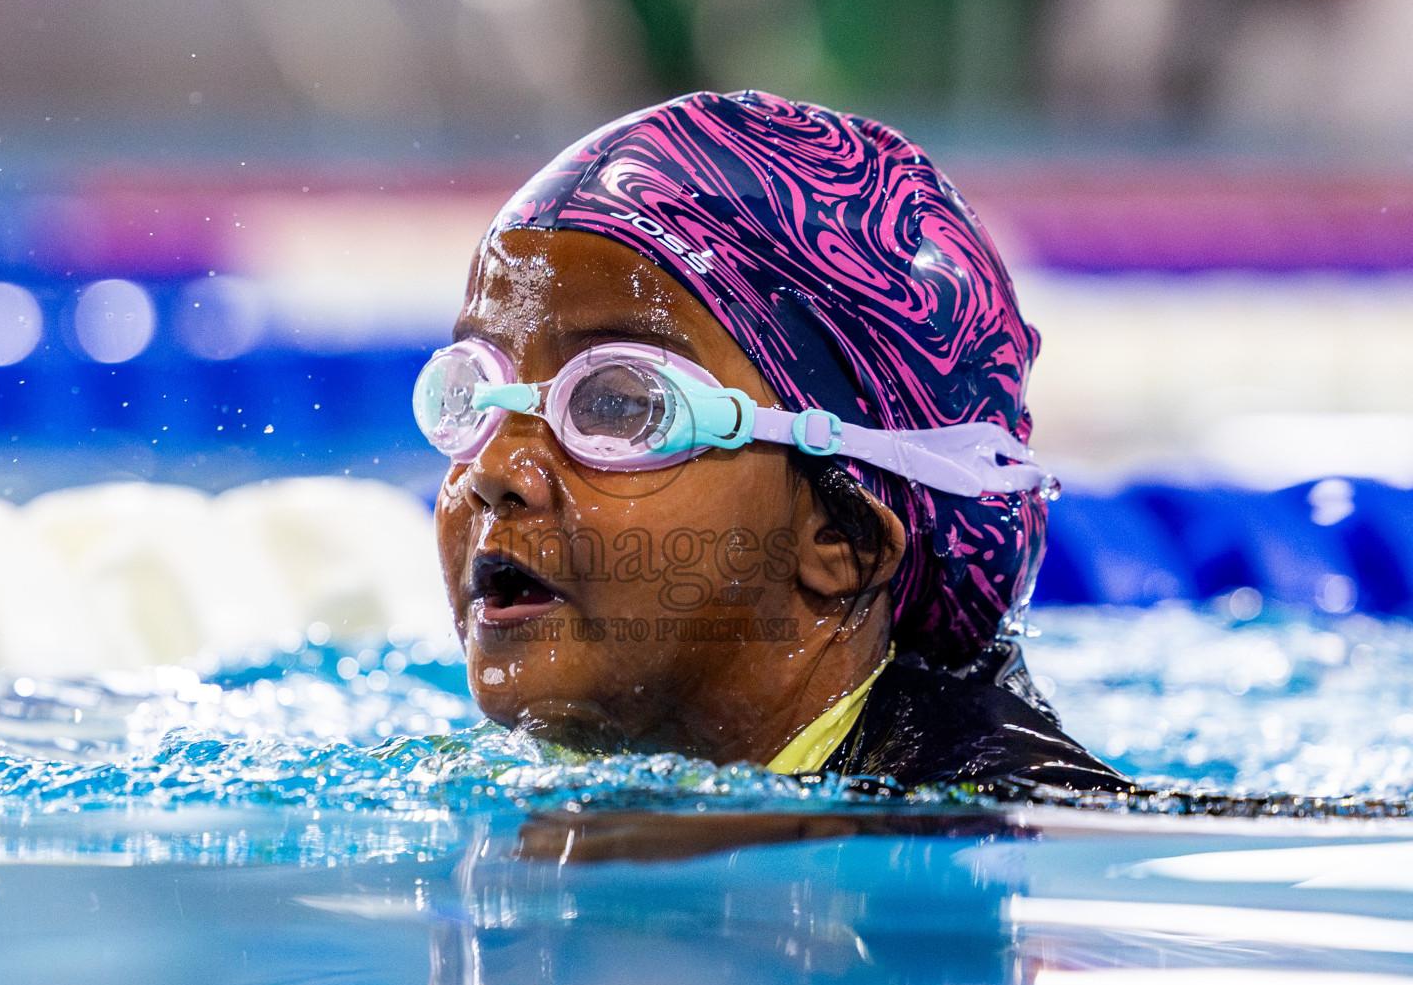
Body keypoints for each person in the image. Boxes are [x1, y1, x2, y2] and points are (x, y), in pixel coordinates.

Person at [414, 90, 1129, 793]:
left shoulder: (994, 827)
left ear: (843, 543)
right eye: (475, 393)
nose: (494, 469)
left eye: (615, 405)